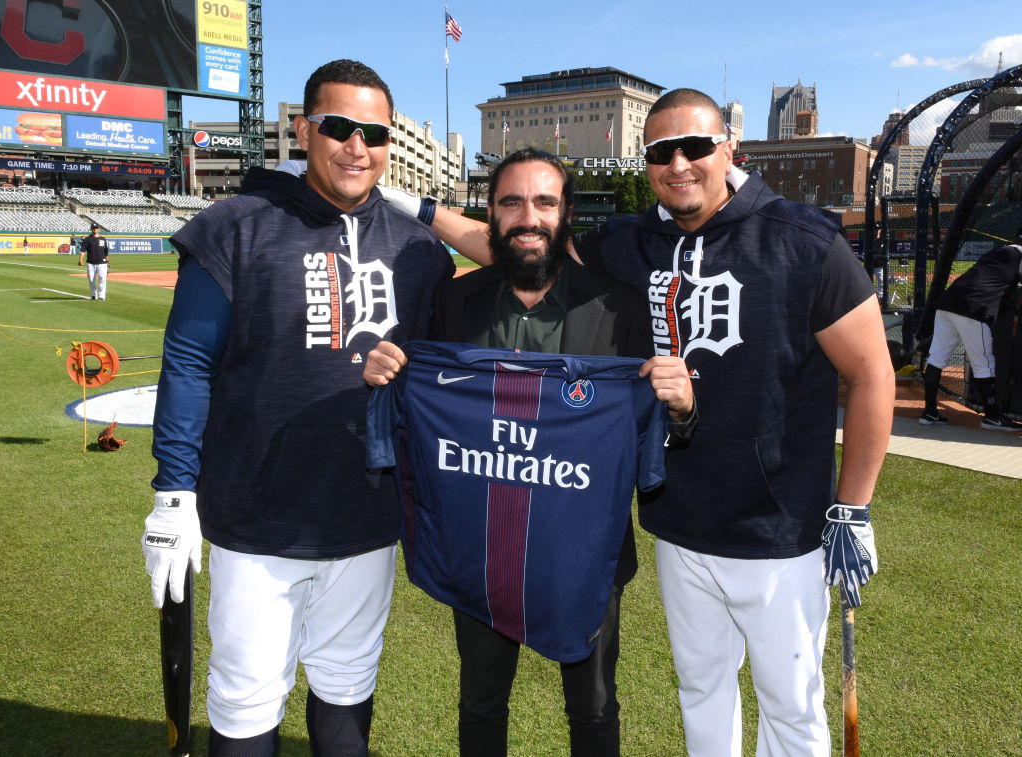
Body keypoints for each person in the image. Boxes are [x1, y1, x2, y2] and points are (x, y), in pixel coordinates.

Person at [379, 88, 894, 756]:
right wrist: (419, 207)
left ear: (728, 149)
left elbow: (872, 373)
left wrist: (852, 507)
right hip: (678, 525)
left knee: (791, 709)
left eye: (696, 147)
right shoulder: (629, 243)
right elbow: (519, 243)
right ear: (645, 161)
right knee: (702, 693)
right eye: (661, 151)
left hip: (782, 525)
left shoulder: (804, 238)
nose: (679, 163)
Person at [142, 59, 455, 757]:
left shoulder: (419, 251)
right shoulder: (235, 225)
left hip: (367, 515)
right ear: (303, 128)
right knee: (247, 696)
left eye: (374, 134)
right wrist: (172, 489)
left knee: (347, 688)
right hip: (257, 514)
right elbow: (189, 358)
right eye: (338, 127)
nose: (356, 147)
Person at [363, 147, 694, 757]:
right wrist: (391, 369)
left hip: (582, 547)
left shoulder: (618, 306)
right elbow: (428, 402)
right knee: (482, 700)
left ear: (565, 213)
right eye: (512, 202)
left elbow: (650, 428)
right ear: (490, 213)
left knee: (592, 706)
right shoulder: (454, 302)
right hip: (482, 540)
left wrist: (680, 407)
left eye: (544, 201)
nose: (529, 216)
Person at [920, 230, 1022, 430]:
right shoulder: (1019, 254)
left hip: (948, 303)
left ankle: (929, 412)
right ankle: (993, 417)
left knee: (936, 358)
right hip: (974, 309)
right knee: (984, 364)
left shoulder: (998, 252)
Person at [80, 224, 109, 300]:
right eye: (93, 228)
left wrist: (108, 262)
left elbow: (106, 252)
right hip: (90, 262)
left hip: (102, 262)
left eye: (96, 228)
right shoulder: (87, 239)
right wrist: (80, 259)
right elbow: (83, 250)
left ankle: (102, 296)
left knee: (102, 279)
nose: (95, 230)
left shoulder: (103, 239)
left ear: (99, 229)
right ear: (91, 229)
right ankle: (93, 295)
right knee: (91, 279)